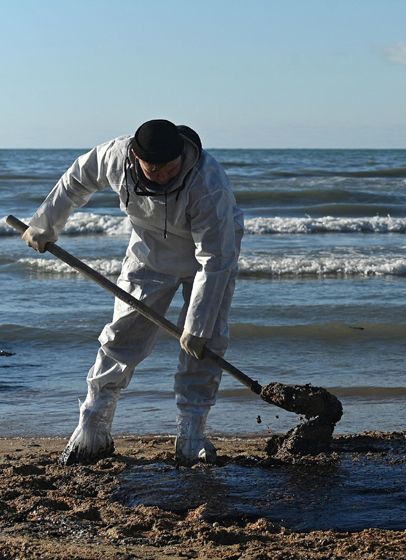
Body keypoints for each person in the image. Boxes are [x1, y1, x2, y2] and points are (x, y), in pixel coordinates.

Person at [20, 119, 244, 465]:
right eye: (152, 169)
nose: (162, 176)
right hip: (149, 251)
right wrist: (45, 224)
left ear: (181, 158)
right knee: (122, 334)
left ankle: (191, 433)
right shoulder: (115, 156)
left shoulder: (207, 183)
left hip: (210, 256)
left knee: (206, 342)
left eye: (170, 169)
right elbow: (78, 178)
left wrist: (197, 327)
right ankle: (93, 424)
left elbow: (215, 262)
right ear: (136, 158)